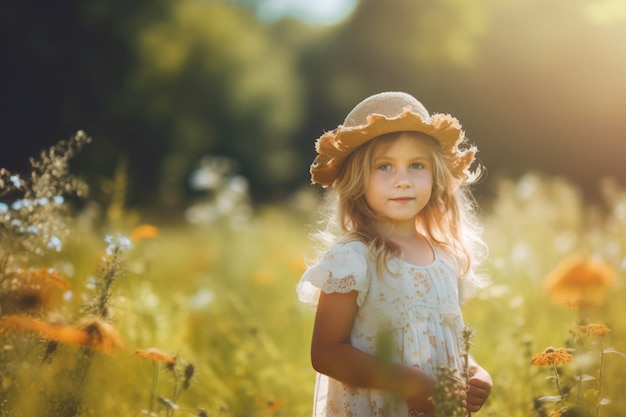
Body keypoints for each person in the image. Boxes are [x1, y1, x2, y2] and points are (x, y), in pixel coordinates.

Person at [296, 91, 493, 416]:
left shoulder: (445, 260)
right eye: (385, 166)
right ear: (358, 179)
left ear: (436, 175)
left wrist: (475, 372)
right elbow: (326, 352)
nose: (402, 181)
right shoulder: (353, 260)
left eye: (417, 165)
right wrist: (408, 383)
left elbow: (443, 338)